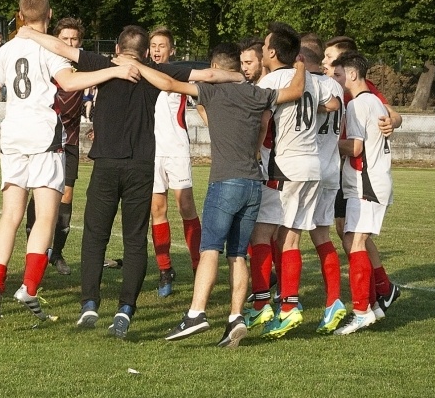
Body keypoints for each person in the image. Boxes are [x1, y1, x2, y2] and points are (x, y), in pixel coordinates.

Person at [16, 23, 242, 338]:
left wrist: (29, 33)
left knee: (95, 236)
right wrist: (241, 76)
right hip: (141, 167)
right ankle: (125, 309)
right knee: (135, 240)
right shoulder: (156, 71)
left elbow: (61, 49)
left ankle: (90, 303)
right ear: (148, 51)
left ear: (118, 50)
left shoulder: (103, 64)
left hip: (106, 164)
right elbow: (209, 75)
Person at [0, 0, 139, 322]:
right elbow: (69, 82)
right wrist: (113, 71)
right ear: (48, 16)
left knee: (11, 214)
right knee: (45, 215)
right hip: (43, 135)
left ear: (19, 15)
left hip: (12, 134)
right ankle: (29, 287)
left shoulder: (7, 50)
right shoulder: (46, 46)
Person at [117, 43, 306, 346]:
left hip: (226, 181)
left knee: (210, 249)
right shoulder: (256, 93)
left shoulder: (213, 92)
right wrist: (300, 65)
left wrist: (136, 66)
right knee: (238, 254)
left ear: (216, 70)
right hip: (254, 184)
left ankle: (196, 313)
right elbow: (296, 91)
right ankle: (235, 317)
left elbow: (168, 84)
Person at [245, 22, 333, 340]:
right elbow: (331, 105)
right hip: (313, 164)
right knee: (289, 238)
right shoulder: (308, 78)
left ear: (270, 52)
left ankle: (269, 306)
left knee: (260, 233)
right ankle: (284, 305)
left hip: (283, 166)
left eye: (265, 46)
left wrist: (254, 152)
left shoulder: (271, 80)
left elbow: (263, 120)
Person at [323, 36, 401, 314]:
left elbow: (391, 115)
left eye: (331, 59)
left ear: (349, 68)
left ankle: (368, 301)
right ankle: (377, 294)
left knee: (354, 237)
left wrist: (392, 121)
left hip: (362, 177)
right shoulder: (338, 89)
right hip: (350, 175)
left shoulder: (358, 97)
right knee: (350, 234)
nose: (326, 64)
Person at [25, 17, 88, 276]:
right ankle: (33, 249)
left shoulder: (83, 69)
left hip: (69, 140)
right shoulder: (42, 63)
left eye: (74, 39)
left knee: (66, 194)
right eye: (65, 39)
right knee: (37, 195)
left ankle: (57, 254)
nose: (70, 43)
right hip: (41, 138)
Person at [147, 27, 202, 297]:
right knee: (157, 209)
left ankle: (198, 266)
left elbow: (202, 101)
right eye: (154, 45)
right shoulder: (144, 74)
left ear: (172, 50)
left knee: (186, 207)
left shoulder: (181, 75)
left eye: (162, 46)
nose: (157, 50)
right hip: (151, 152)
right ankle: (165, 269)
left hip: (177, 150)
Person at [299, 34, 347, 334]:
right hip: (332, 170)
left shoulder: (308, 84)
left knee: (282, 233)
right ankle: (333, 301)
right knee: (322, 237)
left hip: (307, 168)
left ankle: (285, 301)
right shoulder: (336, 86)